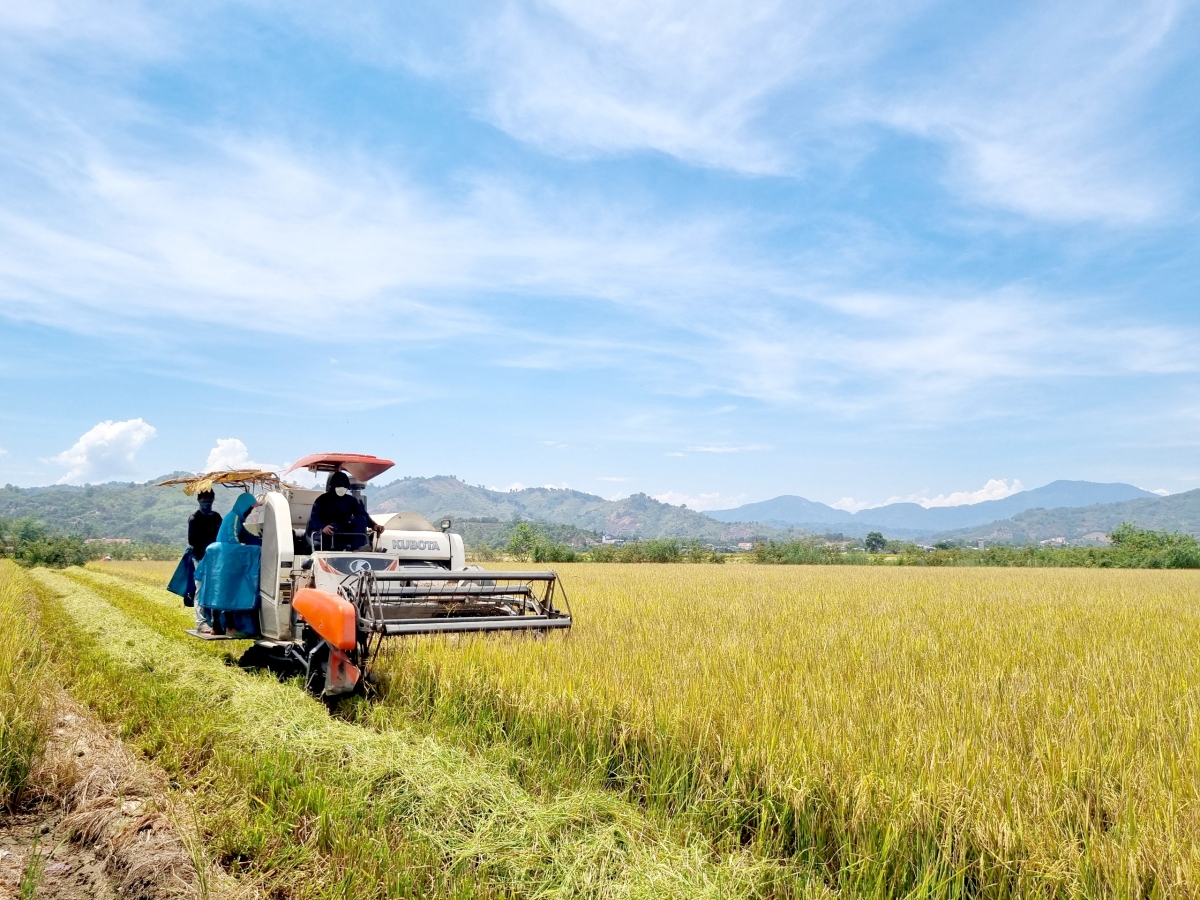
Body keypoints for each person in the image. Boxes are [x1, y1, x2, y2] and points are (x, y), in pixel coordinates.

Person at [195, 492, 262, 637]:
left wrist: (261, 540)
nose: (250, 511)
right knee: (229, 594)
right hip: (226, 561)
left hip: (223, 562)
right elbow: (233, 540)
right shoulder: (234, 517)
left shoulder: (236, 518)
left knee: (220, 594)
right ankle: (230, 628)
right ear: (243, 506)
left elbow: (246, 536)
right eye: (250, 508)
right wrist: (254, 549)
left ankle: (218, 626)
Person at [167, 489, 222, 632]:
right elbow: (192, 540)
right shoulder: (194, 518)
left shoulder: (216, 517)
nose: (206, 502)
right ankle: (201, 622)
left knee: (214, 589)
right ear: (198, 500)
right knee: (200, 588)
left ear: (213, 500)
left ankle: (215, 622)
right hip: (200, 558)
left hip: (215, 559)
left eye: (209, 500)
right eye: (203, 500)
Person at [306, 471, 381, 551]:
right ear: (333, 485)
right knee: (332, 526)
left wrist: (374, 525)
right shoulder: (321, 500)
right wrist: (323, 527)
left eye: (344, 486)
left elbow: (362, 514)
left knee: (361, 518)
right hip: (327, 532)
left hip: (344, 529)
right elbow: (314, 519)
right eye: (339, 485)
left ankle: (359, 548)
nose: (342, 487)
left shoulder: (351, 500)